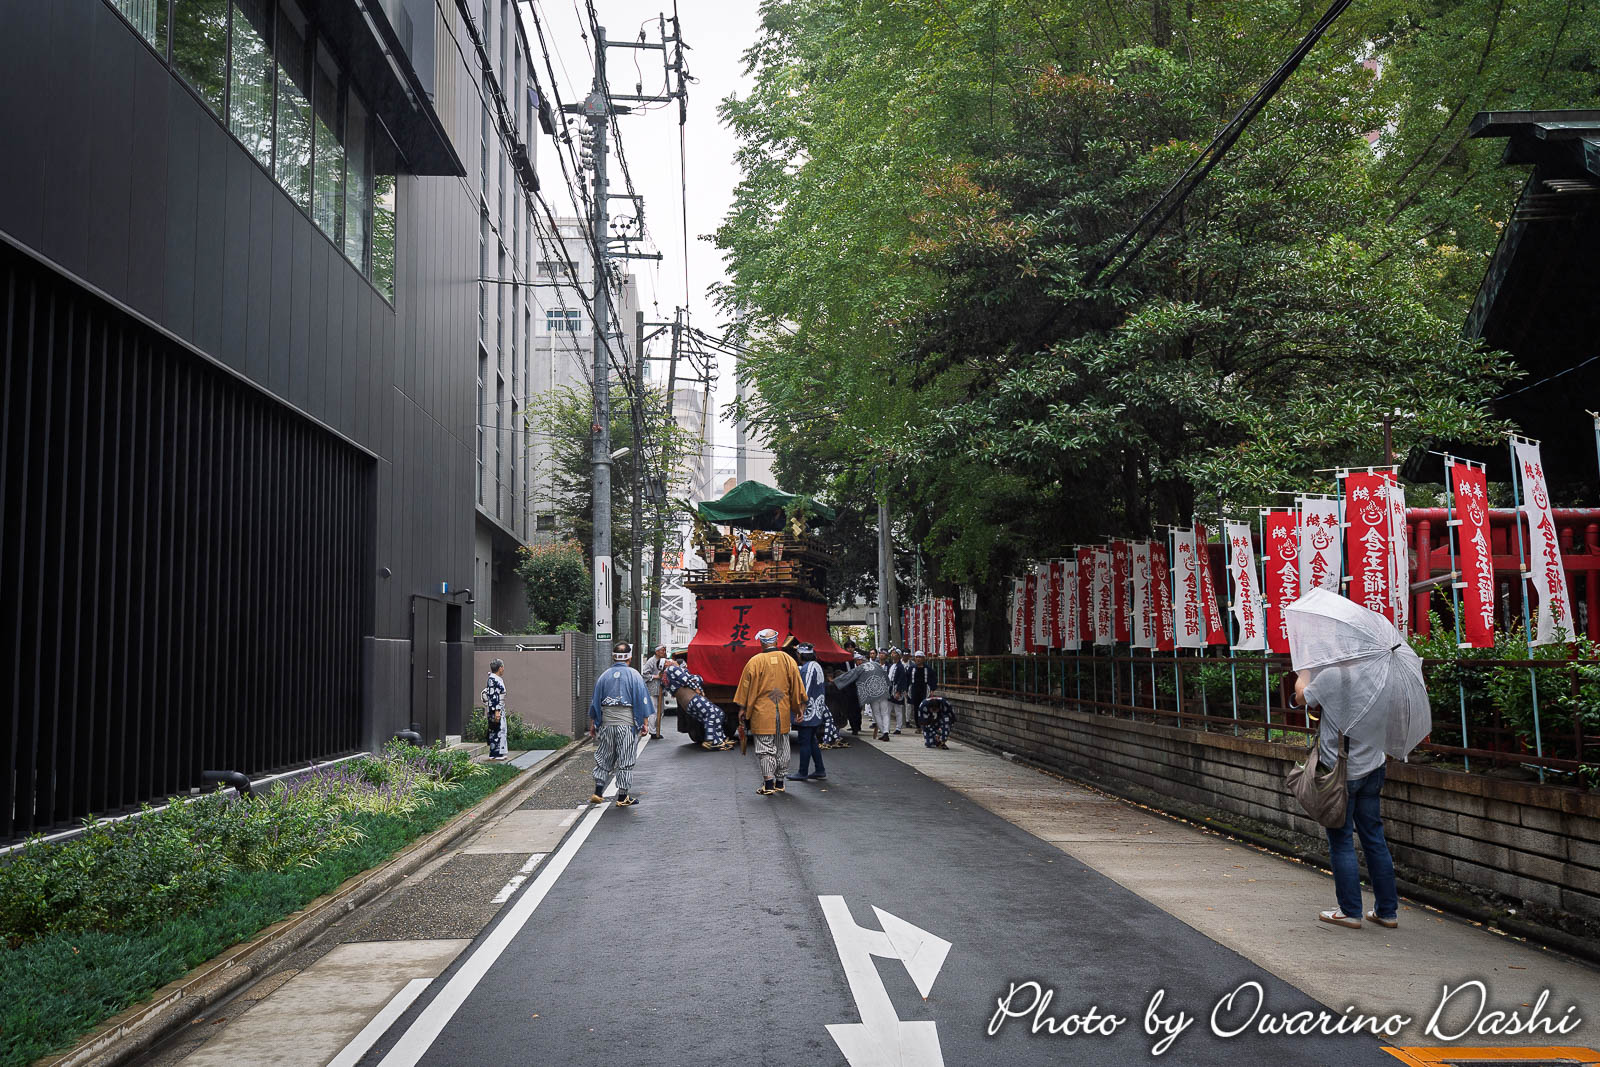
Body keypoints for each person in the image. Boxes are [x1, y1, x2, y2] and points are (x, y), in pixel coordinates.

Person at [1296, 670, 1399, 930]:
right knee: (1374, 838)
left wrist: (1304, 673)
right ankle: (1387, 912)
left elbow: (1301, 697)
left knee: (1341, 841)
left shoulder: (1332, 675)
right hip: (1374, 766)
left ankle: (1350, 911)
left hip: (1341, 772)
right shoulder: (1380, 672)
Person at [732, 627, 807, 795]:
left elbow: (745, 687)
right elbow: (797, 686)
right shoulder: (788, 660)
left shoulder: (754, 662)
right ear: (777, 641)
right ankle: (780, 782)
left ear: (761, 642)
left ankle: (769, 784)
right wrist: (799, 707)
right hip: (783, 710)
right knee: (782, 747)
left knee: (765, 748)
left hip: (762, 712)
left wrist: (743, 708)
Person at [588, 641, 653, 807]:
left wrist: (593, 724)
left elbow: (595, 703)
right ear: (629, 658)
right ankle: (622, 797)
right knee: (626, 759)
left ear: (613, 657)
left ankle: (598, 792)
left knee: (605, 756)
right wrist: (645, 723)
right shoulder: (634, 675)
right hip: (626, 723)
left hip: (607, 723)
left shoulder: (604, 676)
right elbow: (642, 701)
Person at [664, 652, 734, 751]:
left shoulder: (668, 676)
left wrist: (694, 679)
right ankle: (711, 740)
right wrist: (697, 688)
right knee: (711, 714)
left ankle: (720, 739)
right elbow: (687, 679)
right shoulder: (671, 669)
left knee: (719, 713)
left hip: (688, 702)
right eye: (668, 661)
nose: (671, 661)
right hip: (692, 698)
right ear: (665, 664)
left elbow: (692, 679)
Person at [833, 651, 893, 740]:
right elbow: (885, 676)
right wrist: (887, 686)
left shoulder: (860, 668)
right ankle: (886, 732)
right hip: (882, 689)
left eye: (859, 660)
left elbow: (849, 675)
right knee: (884, 713)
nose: (858, 662)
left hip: (872, 692)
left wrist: (836, 681)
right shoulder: (877, 665)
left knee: (876, 713)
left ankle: (884, 732)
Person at [791, 644, 828, 782]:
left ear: (800, 655)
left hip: (808, 711)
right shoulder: (816, 665)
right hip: (817, 709)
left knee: (805, 741)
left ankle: (803, 772)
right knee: (812, 741)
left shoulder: (807, 669)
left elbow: (804, 692)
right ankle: (819, 769)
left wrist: (800, 710)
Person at [482, 659, 509, 760]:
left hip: (499, 707)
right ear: (500, 668)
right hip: (495, 709)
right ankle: (496, 754)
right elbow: (494, 696)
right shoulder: (493, 679)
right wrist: (497, 711)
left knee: (500, 729)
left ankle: (500, 752)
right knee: (496, 730)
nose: (503, 669)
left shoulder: (495, 679)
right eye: (502, 667)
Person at [641, 643, 669, 735]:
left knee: (661, 711)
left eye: (664, 650)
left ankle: (657, 730)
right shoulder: (651, 661)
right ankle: (652, 731)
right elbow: (644, 674)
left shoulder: (664, 660)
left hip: (661, 687)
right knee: (654, 710)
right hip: (653, 688)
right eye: (662, 650)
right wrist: (655, 676)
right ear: (657, 652)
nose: (664, 652)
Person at [906, 651, 936, 734]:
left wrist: (932, 690)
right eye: (917, 657)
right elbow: (907, 679)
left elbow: (933, 679)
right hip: (914, 689)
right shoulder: (911, 668)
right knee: (916, 708)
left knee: (925, 707)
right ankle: (918, 726)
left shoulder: (928, 669)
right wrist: (906, 690)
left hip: (924, 690)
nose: (918, 659)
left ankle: (926, 725)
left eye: (920, 657)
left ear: (923, 658)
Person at [885, 649, 909, 735]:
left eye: (895, 653)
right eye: (892, 653)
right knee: (887, 710)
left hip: (896, 690)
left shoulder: (900, 667)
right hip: (890, 689)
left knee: (898, 710)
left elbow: (902, 680)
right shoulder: (892, 665)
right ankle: (886, 728)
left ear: (899, 655)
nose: (892, 654)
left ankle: (898, 728)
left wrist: (898, 691)